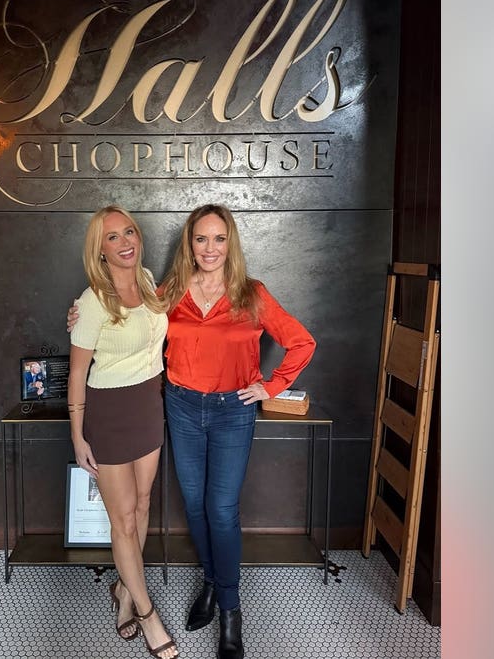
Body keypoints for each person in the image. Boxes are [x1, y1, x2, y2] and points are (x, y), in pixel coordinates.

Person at [70, 204, 316, 659]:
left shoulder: (252, 294)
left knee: (221, 510)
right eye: (201, 239)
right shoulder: (170, 291)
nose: (210, 248)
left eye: (219, 239)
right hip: (180, 408)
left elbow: (302, 342)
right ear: (190, 244)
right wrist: (81, 316)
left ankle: (230, 609)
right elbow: (128, 312)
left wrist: (271, 386)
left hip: (231, 413)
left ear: (230, 243)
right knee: (197, 508)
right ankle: (210, 582)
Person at [67, 205, 179, 659]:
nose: (124, 242)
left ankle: (125, 591)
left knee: (144, 503)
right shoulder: (92, 301)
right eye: (111, 237)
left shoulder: (149, 282)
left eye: (128, 232)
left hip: (149, 405)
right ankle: (148, 614)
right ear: (99, 250)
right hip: (109, 412)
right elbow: (78, 373)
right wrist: (78, 436)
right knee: (124, 519)